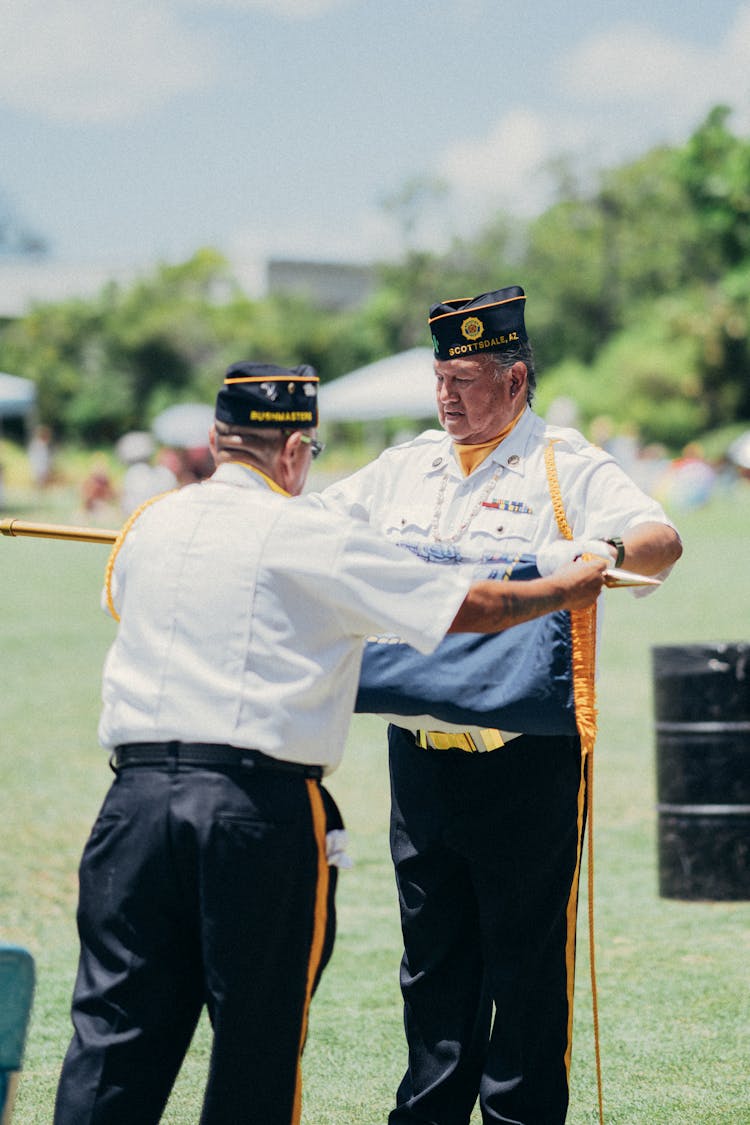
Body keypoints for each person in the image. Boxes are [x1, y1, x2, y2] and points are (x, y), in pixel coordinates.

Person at [52, 359, 608, 1125]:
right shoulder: (314, 531)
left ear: (218, 438)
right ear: (291, 452)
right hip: (254, 807)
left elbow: (125, 598)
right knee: (256, 1044)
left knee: (112, 1041)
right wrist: (566, 587)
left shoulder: (151, 520)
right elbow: (466, 607)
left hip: (130, 806)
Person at [317, 286, 683, 1125]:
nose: (449, 394)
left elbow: (660, 542)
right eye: (441, 375)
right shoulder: (406, 465)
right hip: (418, 757)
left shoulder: (565, 462)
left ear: (517, 380)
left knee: (524, 968)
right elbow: (311, 532)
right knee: (432, 964)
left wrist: (602, 553)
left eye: (470, 376)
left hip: (524, 762)